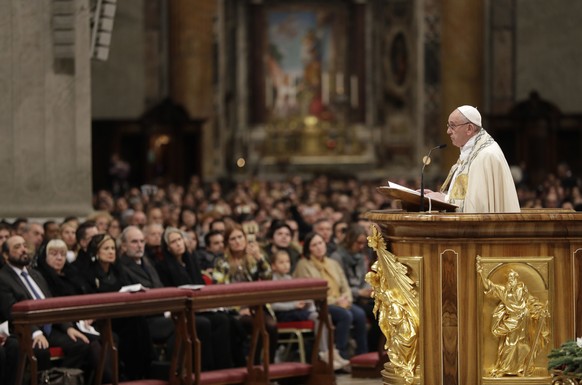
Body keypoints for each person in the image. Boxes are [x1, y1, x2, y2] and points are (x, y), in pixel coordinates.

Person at [0, 236, 92, 376]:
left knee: (80, 344)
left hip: (49, 326)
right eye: (17, 247)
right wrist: (35, 332)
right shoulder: (3, 278)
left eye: (24, 245)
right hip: (24, 330)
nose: (23, 250)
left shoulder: (35, 275)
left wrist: (67, 328)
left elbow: (51, 304)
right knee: (40, 350)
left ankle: (58, 379)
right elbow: (12, 311)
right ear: (6, 255)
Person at [155, 227, 236, 370]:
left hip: (199, 305)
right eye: (173, 242)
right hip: (181, 310)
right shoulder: (162, 266)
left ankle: (224, 367)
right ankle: (205, 369)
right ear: (167, 247)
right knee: (204, 323)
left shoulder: (191, 260)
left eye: (180, 240)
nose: (178, 244)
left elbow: (200, 285)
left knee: (223, 319)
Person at [426, 105, 520, 213]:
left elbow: (477, 207)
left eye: (452, 126)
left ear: (469, 128)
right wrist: (439, 196)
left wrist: (443, 200)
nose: (448, 131)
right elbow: (465, 196)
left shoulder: (484, 155)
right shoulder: (471, 152)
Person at [85, 233, 153, 380]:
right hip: (100, 319)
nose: (111, 252)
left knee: (138, 320)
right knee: (133, 324)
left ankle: (142, 370)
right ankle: (128, 373)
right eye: (106, 249)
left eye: (112, 249)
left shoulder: (118, 270)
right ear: (96, 252)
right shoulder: (88, 273)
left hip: (120, 314)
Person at [293, 232, 368, 360]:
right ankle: (339, 355)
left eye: (321, 243)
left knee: (360, 314)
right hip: (320, 304)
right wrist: (336, 301)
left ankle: (362, 356)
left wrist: (347, 299)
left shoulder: (333, 263)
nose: (319, 247)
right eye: (314, 245)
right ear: (308, 249)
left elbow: (345, 286)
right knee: (345, 315)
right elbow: (310, 292)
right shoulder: (303, 265)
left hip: (341, 301)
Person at [270, 250, 348, 369]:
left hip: (296, 311)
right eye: (281, 262)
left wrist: (307, 305)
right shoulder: (272, 281)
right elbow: (273, 305)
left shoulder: (290, 278)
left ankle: (332, 352)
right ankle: (323, 353)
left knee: (325, 316)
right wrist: (294, 305)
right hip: (283, 314)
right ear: (273, 266)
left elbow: (299, 298)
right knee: (318, 318)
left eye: (287, 261)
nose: (285, 265)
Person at [476, 263, 550, 377]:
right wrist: (481, 273)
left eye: (512, 277)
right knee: (509, 345)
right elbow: (489, 286)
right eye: (509, 278)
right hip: (512, 321)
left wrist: (540, 310)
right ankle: (504, 368)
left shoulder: (522, 290)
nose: (510, 280)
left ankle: (520, 369)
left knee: (523, 346)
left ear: (516, 279)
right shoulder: (504, 291)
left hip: (524, 321)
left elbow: (531, 302)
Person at [330, 224, 381, 352]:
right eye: (358, 243)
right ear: (350, 240)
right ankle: (364, 351)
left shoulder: (361, 256)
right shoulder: (337, 257)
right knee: (363, 314)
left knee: (383, 310)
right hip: (347, 296)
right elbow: (340, 284)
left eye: (364, 243)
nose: (361, 246)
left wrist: (367, 290)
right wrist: (359, 292)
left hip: (362, 295)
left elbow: (364, 278)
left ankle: (375, 351)